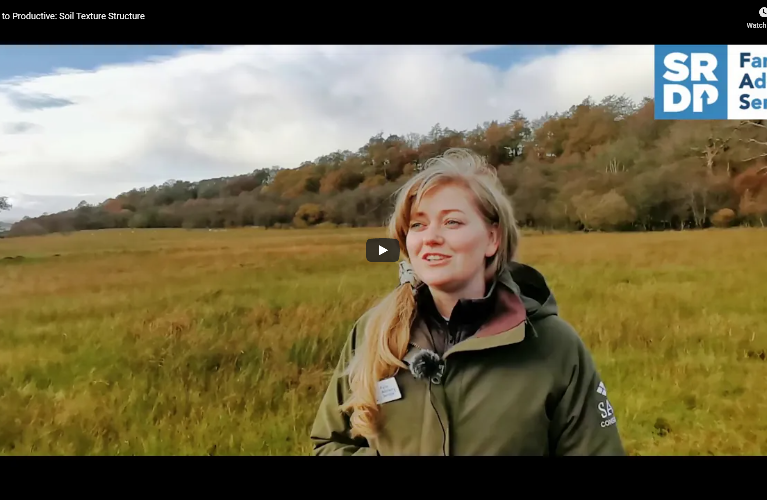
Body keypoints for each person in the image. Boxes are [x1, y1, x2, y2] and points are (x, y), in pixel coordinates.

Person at [310, 148, 625, 456]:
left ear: (492, 239)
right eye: (418, 224)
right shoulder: (372, 331)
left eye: (452, 222)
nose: (430, 236)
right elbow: (329, 442)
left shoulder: (553, 345)